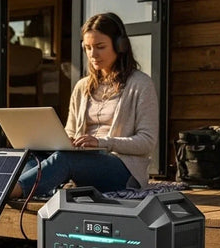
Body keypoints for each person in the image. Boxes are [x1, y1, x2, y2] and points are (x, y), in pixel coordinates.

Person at [12, 12, 158, 198]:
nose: (93, 54)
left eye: (100, 47)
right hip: (82, 163)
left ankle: (12, 192)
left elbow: (147, 142)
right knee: (32, 156)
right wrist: (66, 141)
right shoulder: (82, 87)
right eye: (87, 48)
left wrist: (101, 143)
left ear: (120, 46)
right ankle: (23, 186)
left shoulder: (141, 84)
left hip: (123, 171)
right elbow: (71, 131)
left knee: (66, 159)